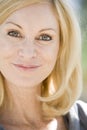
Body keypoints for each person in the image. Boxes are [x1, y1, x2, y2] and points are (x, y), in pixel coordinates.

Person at [0, 0, 87, 130]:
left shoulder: (82, 118)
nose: (28, 53)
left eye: (44, 37)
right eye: (14, 33)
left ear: (61, 47)